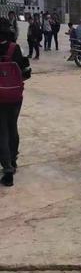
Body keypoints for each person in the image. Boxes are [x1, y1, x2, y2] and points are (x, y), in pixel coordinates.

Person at [0, 17, 31, 187]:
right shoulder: (14, 48)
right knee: (13, 128)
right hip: (15, 97)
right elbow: (26, 73)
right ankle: (13, 160)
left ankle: (8, 171)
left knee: (1, 132)